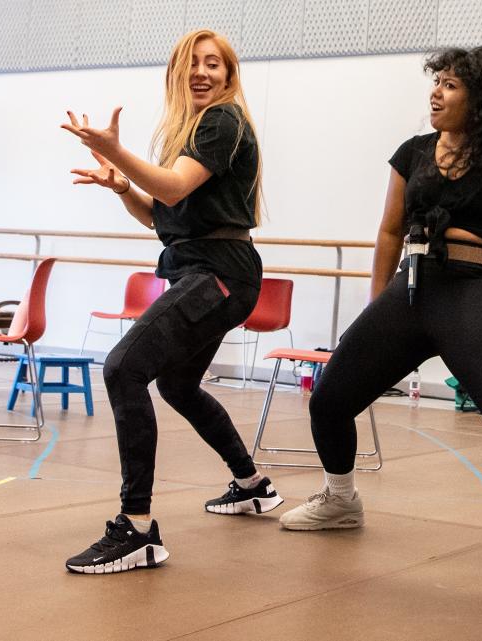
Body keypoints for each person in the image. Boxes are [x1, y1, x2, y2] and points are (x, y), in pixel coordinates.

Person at [277, 47, 482, 582]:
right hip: (411, 289)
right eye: (437, 82)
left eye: (450, 85)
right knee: (331, 394)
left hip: (474, 291)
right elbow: (388, 231)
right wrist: (377, 301)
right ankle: (340, 500)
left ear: (481, 98)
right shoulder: (413, 151)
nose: (436, 92)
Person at [61, 29, 283, 574]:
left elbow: (173, 189)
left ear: (230, 76)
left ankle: (135, 529)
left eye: (214, 65)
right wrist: (122, 187)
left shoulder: (222, 120)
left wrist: (116, 149)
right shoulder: (188, 134)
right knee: (177, 384)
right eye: (192, 65)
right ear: (177, 75)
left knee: (122, 369)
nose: (202, 73)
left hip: (219, 273)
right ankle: (252, 484)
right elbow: (163, 216)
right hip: (203, 269)